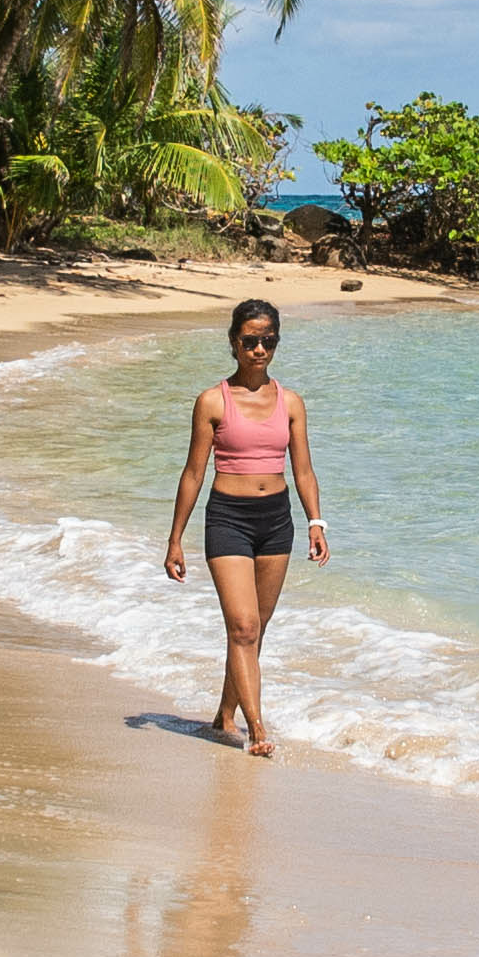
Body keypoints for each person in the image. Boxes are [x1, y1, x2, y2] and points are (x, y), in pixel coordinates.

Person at [159, 296, 326, 756]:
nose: (259, 350)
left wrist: (316, 521)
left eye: (268, 341)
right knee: (243, 626)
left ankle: (223, 715)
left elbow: (304, 470)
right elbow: (193, 472)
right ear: (234, 343)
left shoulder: (291, 403)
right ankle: (256, 730)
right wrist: (175, 539)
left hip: (276, 522)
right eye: (250, 340)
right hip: (228, 519)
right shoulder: (213, 401)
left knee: (255, 630)